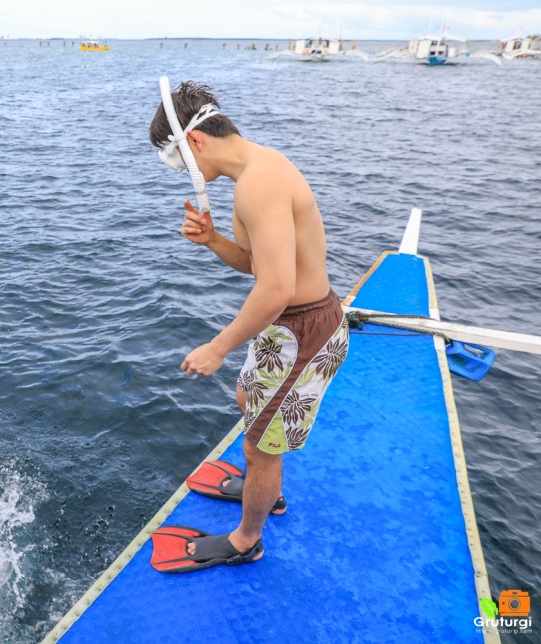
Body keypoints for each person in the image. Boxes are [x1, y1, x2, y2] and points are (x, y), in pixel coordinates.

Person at [148, 81, 349, 568]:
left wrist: (219, 346)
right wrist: (215, 240)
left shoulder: (259, 184)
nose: (183, 173)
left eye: (177, 161)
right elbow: (262, 266)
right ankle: (264, 486)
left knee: (261, 445)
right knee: (248, 400)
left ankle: (247, 539)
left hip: (306, 332)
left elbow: (277, 289)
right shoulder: (256, 171)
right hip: (286, 328)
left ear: (195, 142)